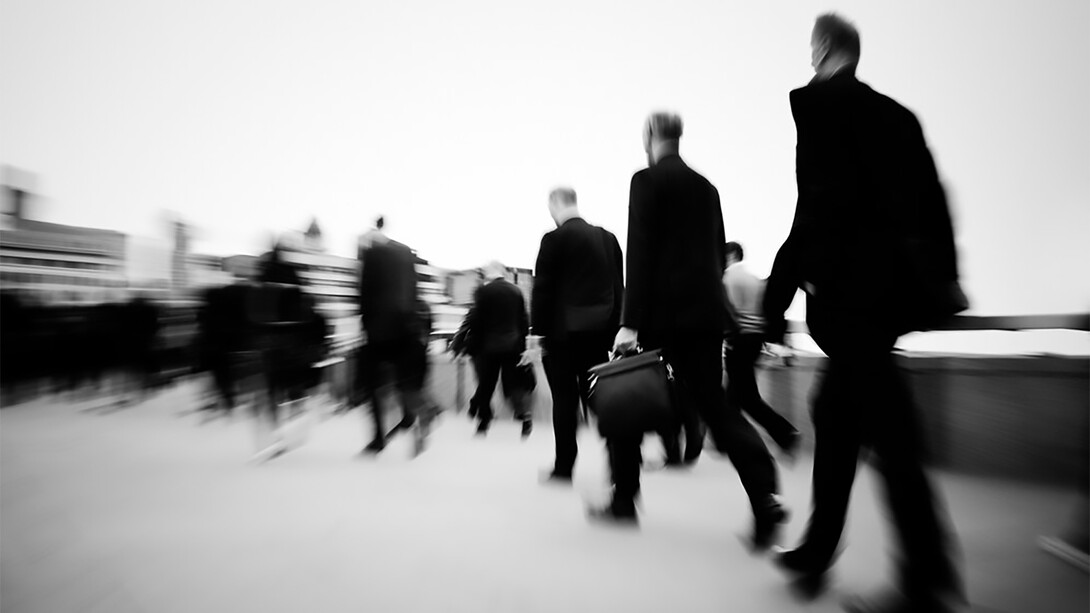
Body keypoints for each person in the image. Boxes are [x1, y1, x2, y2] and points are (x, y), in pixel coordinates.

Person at [763, 14, 967, 613]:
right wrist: (943, 284)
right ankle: (818, 550)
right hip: (887, 301)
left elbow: (814, 210)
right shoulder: (898, 117)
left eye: (812, 48)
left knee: (894, 440)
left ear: (825, 48)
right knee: (836, 414)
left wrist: (776, 301)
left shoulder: (825, 108)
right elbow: (933, 204)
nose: (809, 59)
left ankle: (926, 581)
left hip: (851, 302)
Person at [601, 112, 787, 546]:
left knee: (626, 401)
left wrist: (629, 323)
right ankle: (764, 497)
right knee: (717, 407)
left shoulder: (645, 181)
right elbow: (716, 256)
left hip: (660, 317)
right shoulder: (707, 188)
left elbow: (639, 252)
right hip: (704, 318)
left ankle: (624, 500)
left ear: (650, 135)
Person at [530, 186, 623, 482]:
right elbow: (618, 289)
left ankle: (564, 466)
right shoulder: (608, 239)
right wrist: (615, 331)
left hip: (562, 337)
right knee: (600, 400)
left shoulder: (553, 239)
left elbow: (542, 290)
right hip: (599, 335)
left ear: (555, 204)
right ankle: (620, 463)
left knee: (564, 401)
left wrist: (537, 333)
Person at [358, 219, 433, 455]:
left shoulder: (371, 254)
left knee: (373, 386)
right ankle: (420, 416)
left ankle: (378, 438)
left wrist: (366, 325)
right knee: (407, 384)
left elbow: (365, 294)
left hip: (380, 331)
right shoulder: (405, 253)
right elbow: (413, 290)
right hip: (408, 330)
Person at [722, 241, 799, 456]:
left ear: (730, 255)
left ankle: (785, 433)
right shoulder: (754, 279)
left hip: (739, 340)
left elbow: (728, 313)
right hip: (756, 340)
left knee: (746, 397)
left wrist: (727, 337)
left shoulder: (728, 278)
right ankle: (729, 439)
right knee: (734, 393)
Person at [459, 260, 533, 437]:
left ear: (488, 274)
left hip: (489, 347)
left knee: (486, 385)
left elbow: (477, 320)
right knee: (513, 384)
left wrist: (472, 344)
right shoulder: (516, 291)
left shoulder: (483, 291)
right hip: (512, 346)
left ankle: (483, 423)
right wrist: (522, 345)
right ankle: (524, 417)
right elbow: (523, 320)